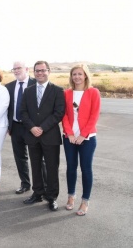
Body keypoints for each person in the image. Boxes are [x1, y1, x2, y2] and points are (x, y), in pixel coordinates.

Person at [21, 60, 64, 211]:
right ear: (34, 72)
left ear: (48, 71)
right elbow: (23, 112)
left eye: (43, 70)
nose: (40, 73)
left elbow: (59, 113)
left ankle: (51, 197)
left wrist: (42, 128)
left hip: (50, 136)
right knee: (36, 166)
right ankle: (37, 193)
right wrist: (32, 127)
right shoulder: (28, 91)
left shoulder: (58, 91)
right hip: (32, 135)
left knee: (52, 168)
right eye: (37, 71)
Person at [62, 64, 100, 216]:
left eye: (80, 74)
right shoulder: (67, 93)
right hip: (69, 138)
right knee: (71, 167)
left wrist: (83, 134)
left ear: (85, 75)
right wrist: (70, 133)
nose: (77, 77)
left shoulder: (93, 92)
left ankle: (85, 201)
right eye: (74, 74)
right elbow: (63, 115)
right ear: (71, 77)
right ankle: (71, 196)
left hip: (87, 138)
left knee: (86, 169)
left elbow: (94, 115)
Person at [6, 61, 47, 194]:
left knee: (38, 158)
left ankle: (42, 187)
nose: (17, 71)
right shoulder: (9, 87)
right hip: (16, 126)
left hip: (32, 128)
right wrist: (8, 125)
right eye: (14, 69)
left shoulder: (36, 84)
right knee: (20, 157)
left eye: (19, 68)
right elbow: (7, 108)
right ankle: (25, 183)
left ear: (26, 69)